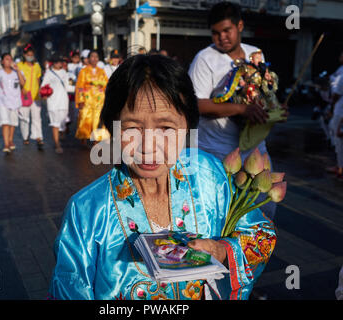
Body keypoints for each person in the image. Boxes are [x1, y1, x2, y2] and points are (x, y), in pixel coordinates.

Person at [48, 54, 276, 300]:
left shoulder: (212, 176)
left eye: (166, 128)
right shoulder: (87, 211)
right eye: (132, 128)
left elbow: (261, 234)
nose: (149, 146)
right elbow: (68, 289)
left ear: (188, 125)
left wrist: (223, 250)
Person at [188, 1, 276, 218]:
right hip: (217, 152)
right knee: (221, 216)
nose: (221, 38)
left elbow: (264, 92)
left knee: (263, 214)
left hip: (255, 149)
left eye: (227, 31)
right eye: (216, 33)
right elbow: (196, 104)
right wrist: (240, 110)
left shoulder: (255, 54)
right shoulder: (204, 59)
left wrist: (276, 111)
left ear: (240, 26)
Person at [0, 53, 25, 153]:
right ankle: (6, 144)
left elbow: (23, 83)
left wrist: (17, 70)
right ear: (2, 62)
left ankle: (11, 140)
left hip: (15, 101)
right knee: (5, 123)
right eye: (7, 59)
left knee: (13, 123)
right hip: (2, 101)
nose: (9, 61)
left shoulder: (17, 72)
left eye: (10, 59)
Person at [41, 54, 74, 154]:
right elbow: (43, 87)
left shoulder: (64, 72)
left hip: (63, 101)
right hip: (53, 102)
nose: (59, 63)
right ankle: (57, 144)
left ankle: (61, 133)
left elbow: (68, 87)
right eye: (56, 62)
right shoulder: (49, 73)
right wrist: (46, 93)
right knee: (55, 123)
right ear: (53, 63)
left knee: (63, 122)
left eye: (60, 62)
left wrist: (80, 89)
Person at [74, 50, 109, 144]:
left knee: (97, 120)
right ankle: (84, 137)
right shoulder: (83, 71)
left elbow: (106, 84)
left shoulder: (101, 72)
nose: (94, 58)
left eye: (96, 56)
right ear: (88, 59)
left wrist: (102, 87)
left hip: (99, 100)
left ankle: (96, 140)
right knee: (84, 118)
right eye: (92, 56)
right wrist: (80, 100)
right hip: (87, 100)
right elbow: (79, 87)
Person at [17, 44, 44, 149]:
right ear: (24, 55)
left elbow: (38, 80)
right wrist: (21, 88)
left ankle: (38, 137)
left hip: (36, 96)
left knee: (37, 118)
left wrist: (40, 91)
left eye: (32, 55)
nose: (30, 57)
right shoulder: (19, 65)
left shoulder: (37, 66)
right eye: (28, 55)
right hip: (24, 95)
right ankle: (25, 136)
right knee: (24, 117)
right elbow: (17, 79)